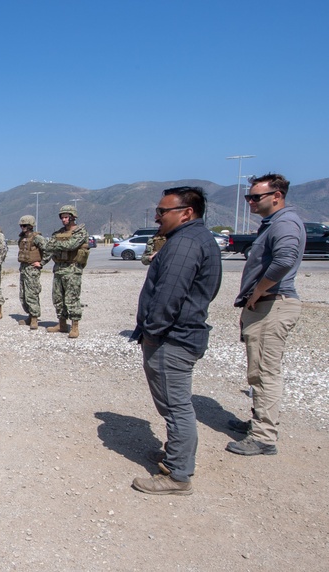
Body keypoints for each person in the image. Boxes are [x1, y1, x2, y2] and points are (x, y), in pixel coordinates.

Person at [130, 186, 222, 495]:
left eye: (162, 211)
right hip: (180, 334)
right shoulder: (193, 239)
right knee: (175, 404)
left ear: (187, 213)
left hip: (172, 338)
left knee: (176, 406)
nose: (156, 217)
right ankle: (176, 458)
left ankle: (178, 475)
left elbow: (169, 296)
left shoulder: (184, 244)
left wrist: (152, 332)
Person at [226, 173, 305, 457]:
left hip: (273, 304)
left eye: (255, 197)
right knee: (258, 370)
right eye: (249, 196)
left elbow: (284, 260)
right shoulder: (273, 223)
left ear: (277, 196)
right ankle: (259, 421)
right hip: (265, 305)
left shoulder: (285, 223)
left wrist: (257, 293)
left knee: (264, 374)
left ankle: (263, 436)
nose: (250, 202)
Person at [45, 205, 89, 338]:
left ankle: (74, 326)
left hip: (72, 269)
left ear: (72, 217)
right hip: (59, 269)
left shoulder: (81, 232)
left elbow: (71, 245)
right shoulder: (58, 233)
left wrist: (55, 245)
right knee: (58, 298)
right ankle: (62, 324)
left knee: (72, 298)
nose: (63, 220)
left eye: (66, 217)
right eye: (62, 217)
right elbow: (48, 246)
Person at [16, 215, 51, 330]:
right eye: (21, 225)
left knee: (32, 293)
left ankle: (35, 318)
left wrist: (41, 263)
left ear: (31, 225)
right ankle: (30, 316)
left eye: (25, 225)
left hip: (32, 269)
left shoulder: (37, 238)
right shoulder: (22, 238)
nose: (23, 227)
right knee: (23, 294)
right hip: (24, 268)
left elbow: (48, 250)